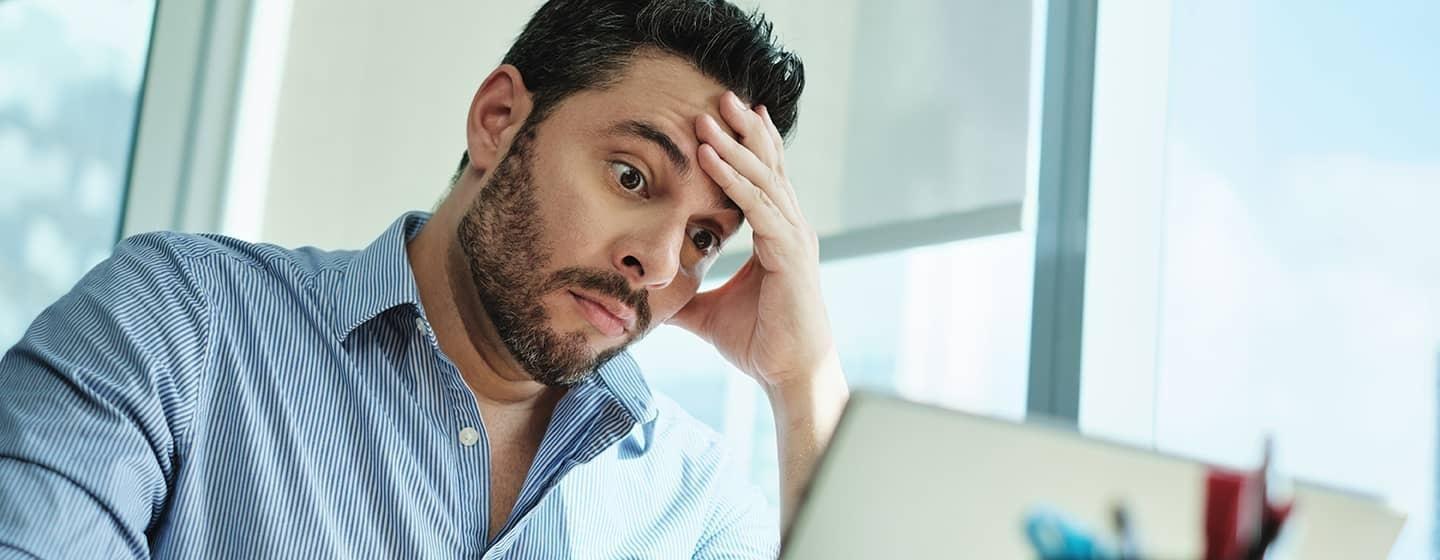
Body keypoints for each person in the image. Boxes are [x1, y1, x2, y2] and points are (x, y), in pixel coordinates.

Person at [0, 0, 850, 557]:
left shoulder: (695, 504)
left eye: (706, 236)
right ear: (498, 121)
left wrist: (802, 383)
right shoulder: (176, 322)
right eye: (631, 177)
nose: (660, 265)